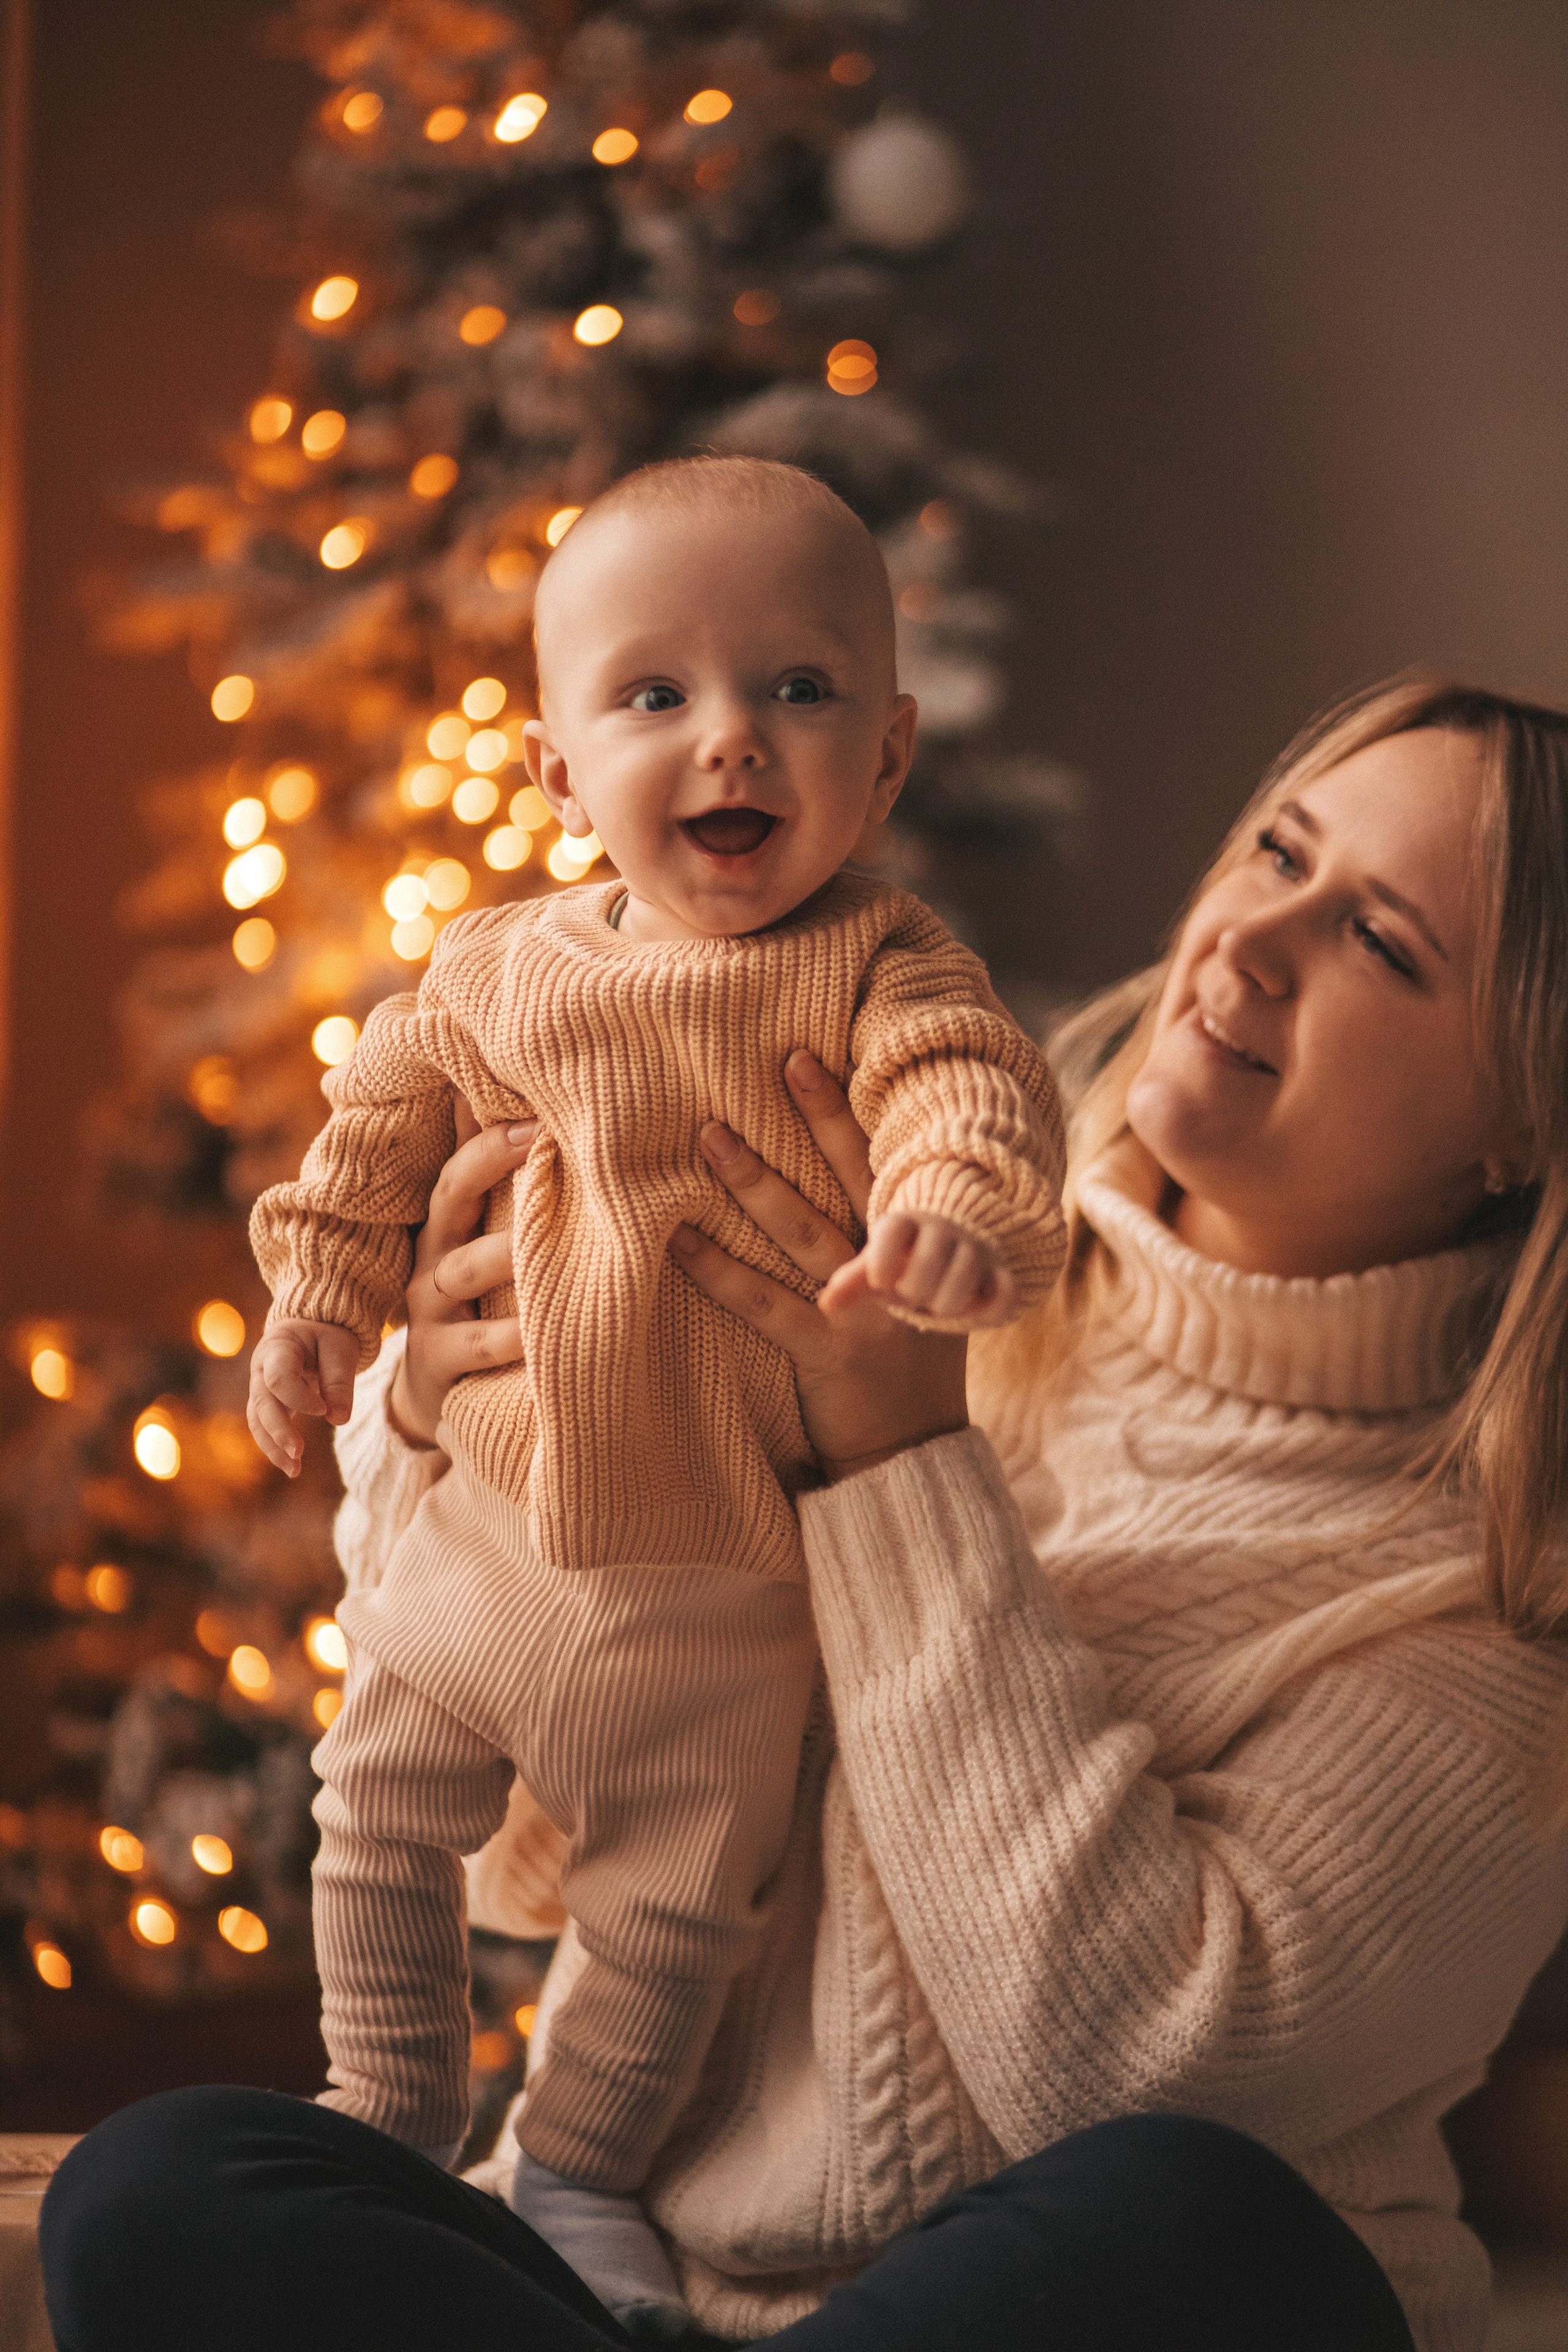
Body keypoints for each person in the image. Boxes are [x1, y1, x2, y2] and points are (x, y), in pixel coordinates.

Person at [40, 676, 1568, 2352]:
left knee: (1196, 2230)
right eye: (1279, 851)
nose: (1251, 944)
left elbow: (1133, 2074)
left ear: (1524, 1122)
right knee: (167, 2182)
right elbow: (532, 1872)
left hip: (1051, 2309)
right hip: (643, 2292)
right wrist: (427, 1421)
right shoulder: (882, 1242)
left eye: (1386, 944)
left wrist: (904, 1466)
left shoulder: (1494, 1610)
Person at [243, 456, 1065, 2332]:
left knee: (678, 1920)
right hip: (486, 1549)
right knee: (372, 1819)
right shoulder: (491, 971)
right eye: (655, 696)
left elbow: (970, 1092)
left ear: (892, 756)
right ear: (554, 776)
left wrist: (948, 1213)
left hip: (720, 1596)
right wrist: (314, 1308)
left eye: (798, 691)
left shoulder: (883, 964)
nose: (734, 745)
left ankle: (578, 2166)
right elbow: (370, 1147)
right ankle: (384, 2104)